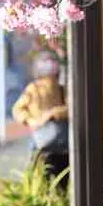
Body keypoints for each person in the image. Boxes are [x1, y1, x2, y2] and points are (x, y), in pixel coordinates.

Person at [12, 53, 69, 186]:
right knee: (40, 176)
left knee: (61, 178)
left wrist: (54, 113)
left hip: (61, 143)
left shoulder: (61, 89)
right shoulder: (33, 89)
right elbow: (18, 109)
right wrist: (32, 121)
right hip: (41, 140)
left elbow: (71, 108)